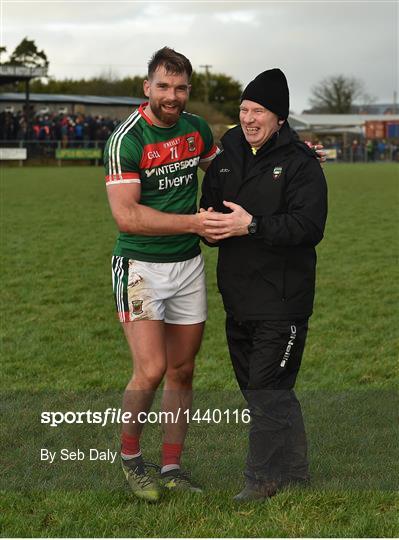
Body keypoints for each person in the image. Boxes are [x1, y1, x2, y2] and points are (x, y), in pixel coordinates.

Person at [200, 68, 328, 502]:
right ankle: (295, 471)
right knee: (266, 391)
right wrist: (209, 227)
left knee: (266, 391)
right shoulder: (227, 153)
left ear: (280, 117)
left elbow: (309, 226)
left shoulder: (301, 163)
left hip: (283, 299)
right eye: (244, 109)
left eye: (259, 110)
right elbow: (209, 208)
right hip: (237, 298)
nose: (249, 118)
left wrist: (251, 226)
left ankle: (261, 478)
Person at [103, 47, 219, 502]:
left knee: (183, 370)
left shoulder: (196, 129)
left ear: (189, 90)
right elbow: (127, 217)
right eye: (164, 86)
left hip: (187, 265)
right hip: (139, 266)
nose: (172, 96)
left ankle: (171, 466)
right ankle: (132, 459)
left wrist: (293, 158)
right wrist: (194, 222)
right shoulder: (126, 140)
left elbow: (229, 169)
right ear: (147, 87)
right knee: (150, 370)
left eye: (181, 87)